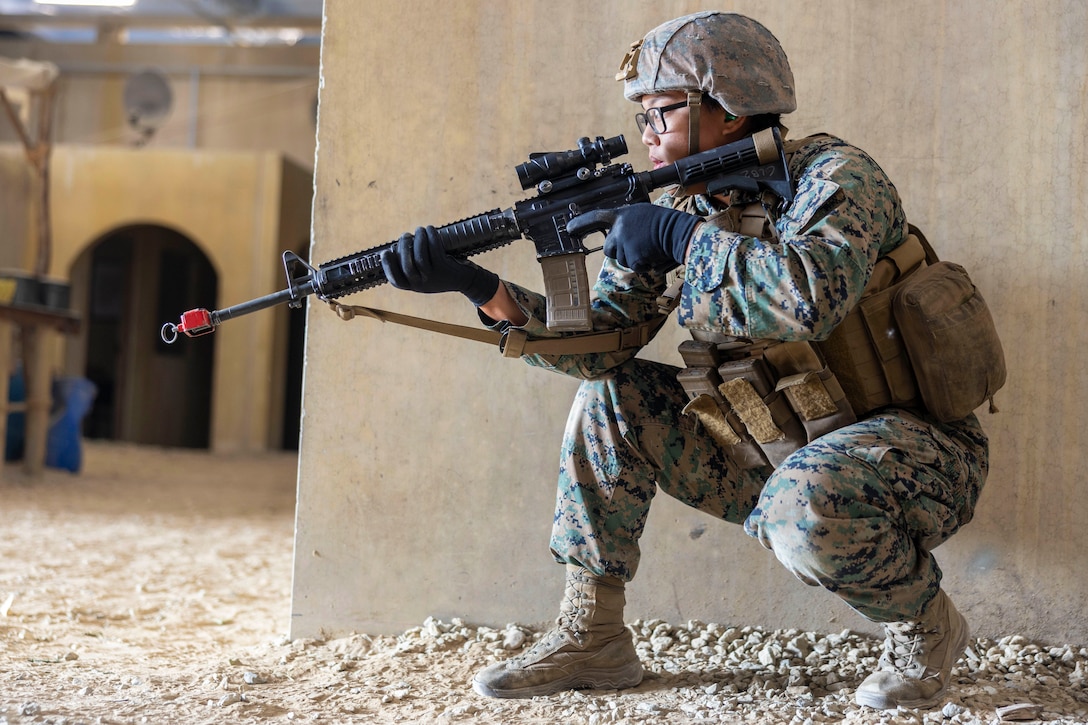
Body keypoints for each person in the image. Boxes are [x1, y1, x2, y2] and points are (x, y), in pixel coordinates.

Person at [380, 11, 988, 711]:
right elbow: (600, 347)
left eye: (660, 111)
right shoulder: (684, 199)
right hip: (777, 441)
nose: (645, 134)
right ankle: (595, 635)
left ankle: (926, 627)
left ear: (726, 110)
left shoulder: (838, 177)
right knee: (610, 398)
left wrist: (679, 236)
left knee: (802, 503)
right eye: (638, 116)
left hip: (915, 451)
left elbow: (808, 299)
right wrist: (480, 288)